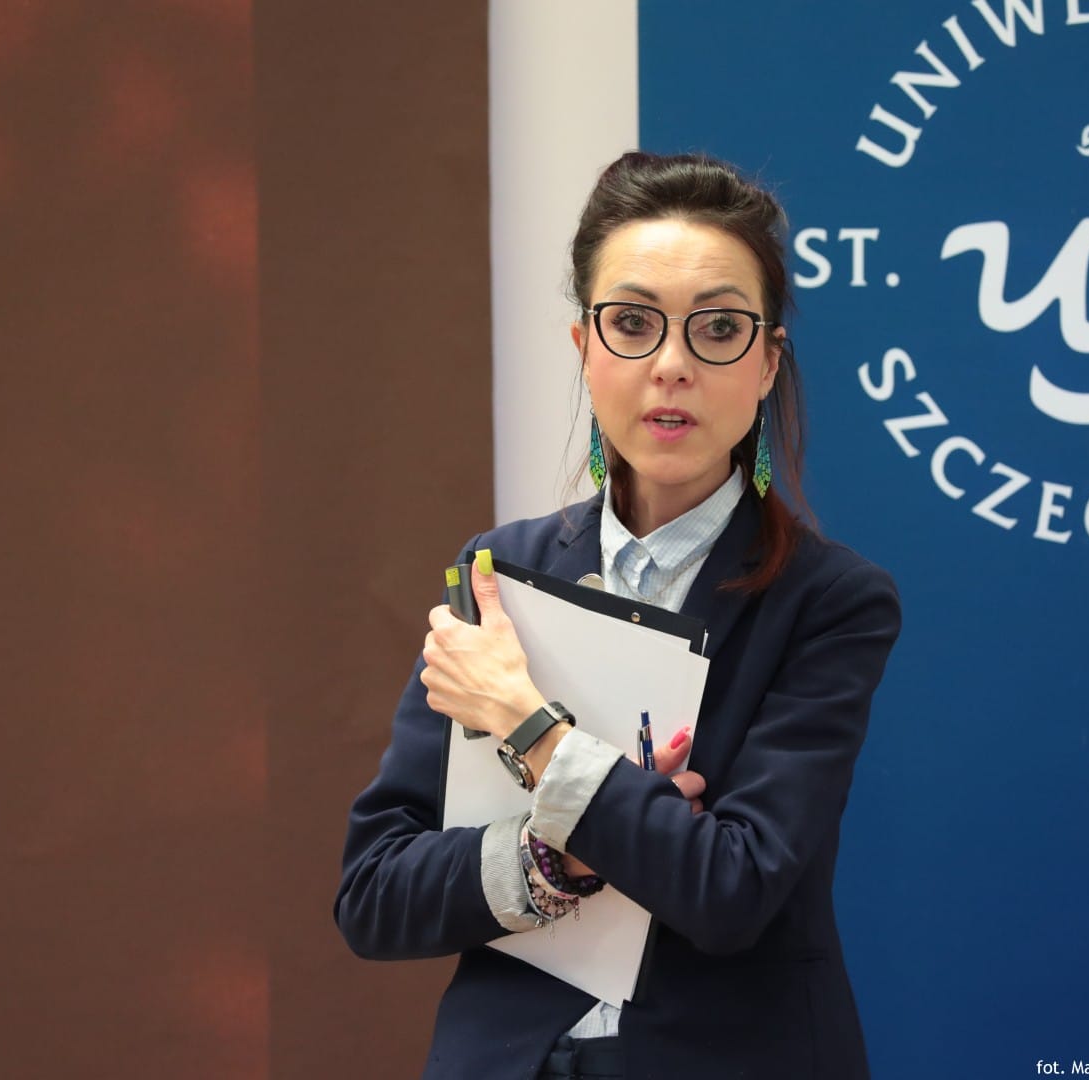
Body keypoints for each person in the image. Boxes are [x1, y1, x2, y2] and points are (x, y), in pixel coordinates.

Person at [335, 151, 901, 1079]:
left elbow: (731, 889)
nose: (671, 366)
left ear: (767, 362)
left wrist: (532, 728)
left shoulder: (832, 601)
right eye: (633, 324)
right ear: (585, 348)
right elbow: (375, 894)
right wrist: (552, 860)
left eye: (719, 329)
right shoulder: (496, 575)